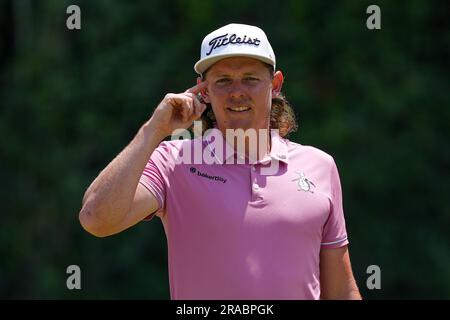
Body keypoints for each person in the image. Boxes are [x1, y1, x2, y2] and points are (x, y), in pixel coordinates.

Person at [79, 23, 362, 300]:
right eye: (223, 80)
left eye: (250, 78)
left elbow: (341, 291)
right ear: (204, 91)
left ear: (275, 85)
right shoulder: (174, 160)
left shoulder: (320, 166)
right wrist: (154, 130)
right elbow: (97, 219)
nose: (237, 91)